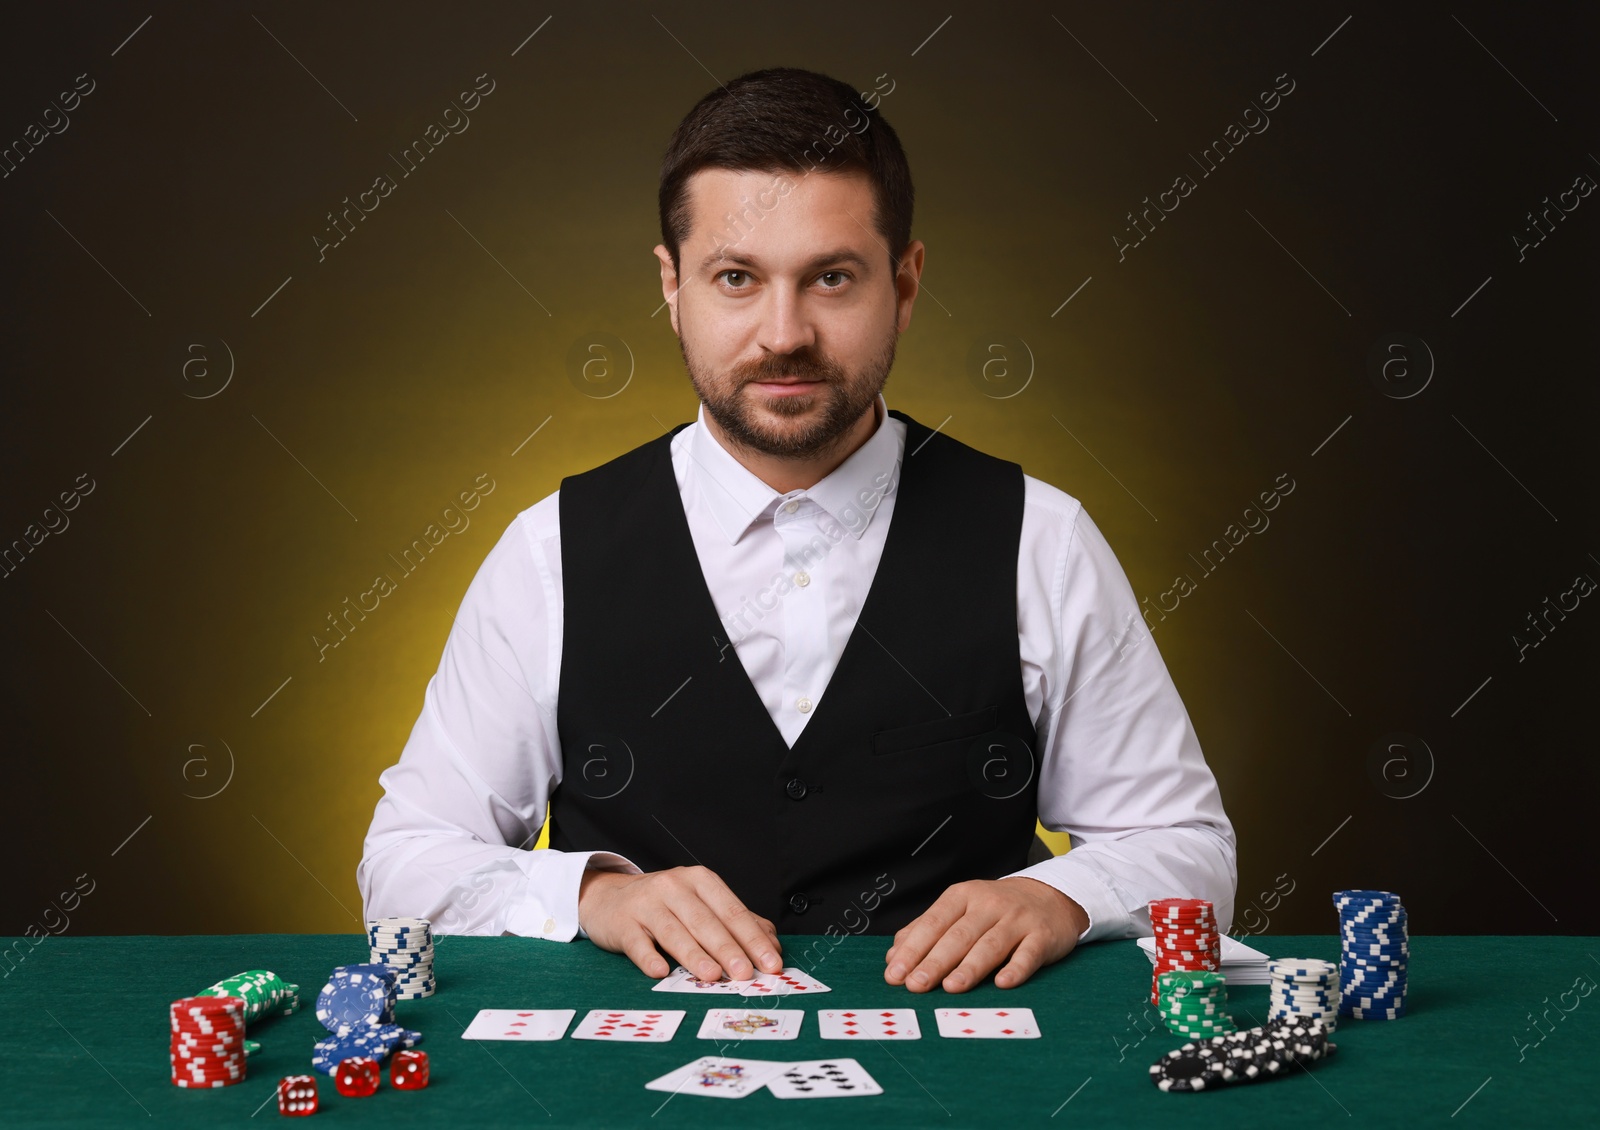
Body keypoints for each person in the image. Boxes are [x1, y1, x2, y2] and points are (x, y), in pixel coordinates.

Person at [358, 66, 1235, 995]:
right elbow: (404, 865)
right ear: (672, 287)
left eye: (831, 279)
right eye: (736, 278)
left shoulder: (1041, 541)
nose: (785, 333)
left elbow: (1187, 847)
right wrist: (590, 895)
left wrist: (1063, 897)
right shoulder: (550, 555)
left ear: (903, 285)